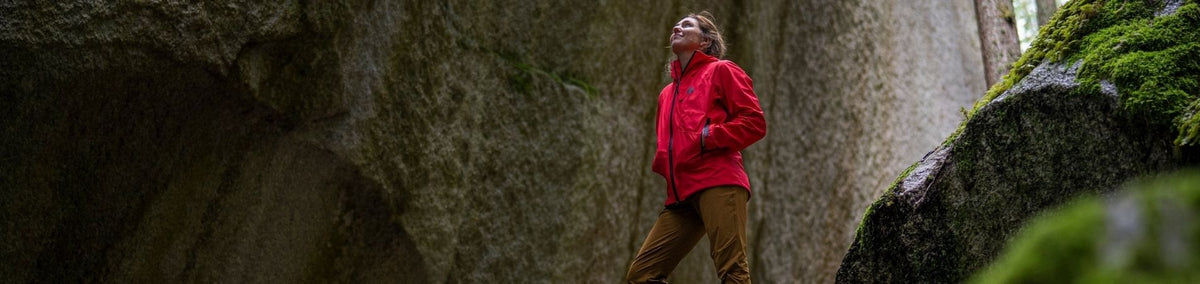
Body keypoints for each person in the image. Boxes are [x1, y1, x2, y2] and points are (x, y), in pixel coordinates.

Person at [626, 11, 767, 284]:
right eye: (676, 24)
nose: (677, 27)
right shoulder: (667, 94)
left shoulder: (721, 70)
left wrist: (708, 136)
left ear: (705, 41)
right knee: (641, 275)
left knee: (732, 271)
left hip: (718, 181)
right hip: (680, 196)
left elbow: (754, 123)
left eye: (687, 25)